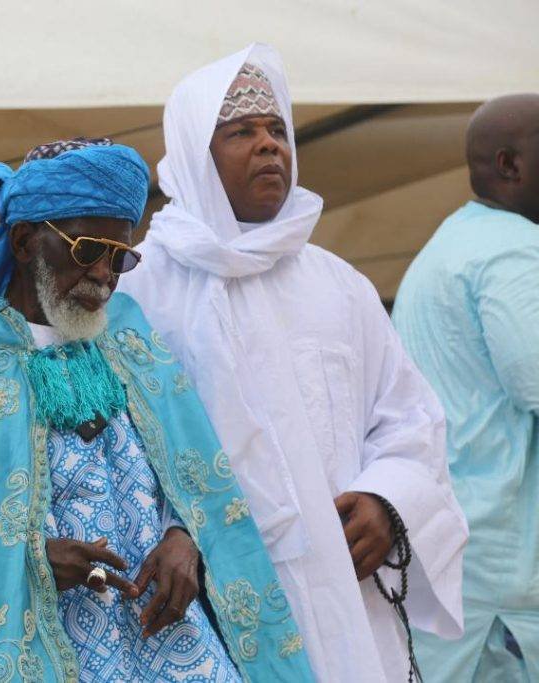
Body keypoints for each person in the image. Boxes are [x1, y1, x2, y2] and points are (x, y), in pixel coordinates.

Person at [0, 138, 314, 682]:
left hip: (165, 631)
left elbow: (195, 482)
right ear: (25, 241)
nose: (105, 275)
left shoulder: (129, 331)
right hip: (49, 644)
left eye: (120, 256)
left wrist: (182, 539)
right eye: (87, 250)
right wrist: (35, 558)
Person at [117, 43, 468, 682]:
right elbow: (122, 454)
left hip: (351, 594)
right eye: (242, 132)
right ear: (197, 151)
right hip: (221, 606)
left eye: (278, 129)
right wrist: (176, 531)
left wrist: (388, 503)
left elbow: (410, 418)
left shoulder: (339, 284)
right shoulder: (139, 292)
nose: (269, 146)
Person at [392, 93, 539, 681]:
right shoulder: (513, 251)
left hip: (453, 552)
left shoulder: (454, 240)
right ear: (510, 165)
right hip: (499, 571)